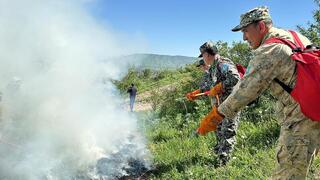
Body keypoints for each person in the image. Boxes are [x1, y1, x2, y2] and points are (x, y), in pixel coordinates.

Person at [201, 6, 320, 179]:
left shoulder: (269, 50)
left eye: (246, 31)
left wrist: (217, 115)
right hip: (315, 107)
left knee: (288, 173)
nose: (243, 37)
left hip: (301, 117)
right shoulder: (294, 36)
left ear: (261, 27)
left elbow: (246, 89)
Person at [196, 41, 241, 166]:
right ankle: (218, 154)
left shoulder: (223, 63)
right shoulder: (214, 67)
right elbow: (209, 85)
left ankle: (223, 163)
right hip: (219, 106)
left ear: (207, 54)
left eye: (203, 56)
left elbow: (235, 78)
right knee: (219, 130)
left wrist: (220, 86)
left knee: (227, 131)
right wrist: (196, 93)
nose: (203, 59)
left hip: (230, 104)